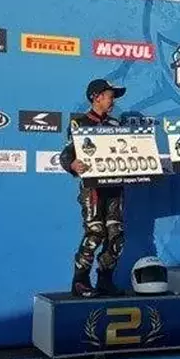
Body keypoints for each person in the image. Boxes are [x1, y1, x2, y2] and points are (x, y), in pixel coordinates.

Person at [60, 79, 127, 298]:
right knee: (95, 232)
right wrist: (72, 165)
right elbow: (67, 153)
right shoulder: (79, 123)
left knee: (116, 235)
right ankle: (80, 281)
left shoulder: (116, 124)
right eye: (110, 96)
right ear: (96, 97)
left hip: (115, 187)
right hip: (93, 189)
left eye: (113, 97)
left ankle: (105, 280)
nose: (113, 101)